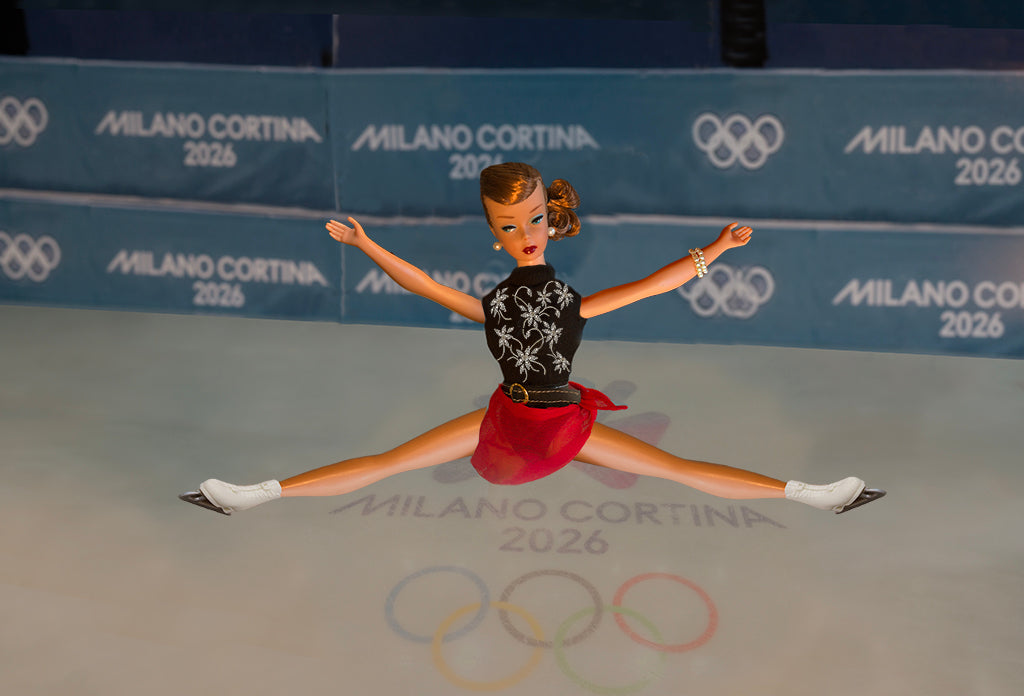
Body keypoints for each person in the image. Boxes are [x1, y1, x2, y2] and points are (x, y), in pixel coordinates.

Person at [180, 162, 884, 516]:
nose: (525, 234)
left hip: (556, 422)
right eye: (509, 226)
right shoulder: (491, 303)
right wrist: (367, 243)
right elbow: (424, 284)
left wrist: (716, 250)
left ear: (551, 218)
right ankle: (254, 496)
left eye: (535, 220)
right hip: (509, 420)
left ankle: (811, 495)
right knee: (387, 462)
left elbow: (652, 285)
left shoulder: (569, 302)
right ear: (493, 232)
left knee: (681, 469)